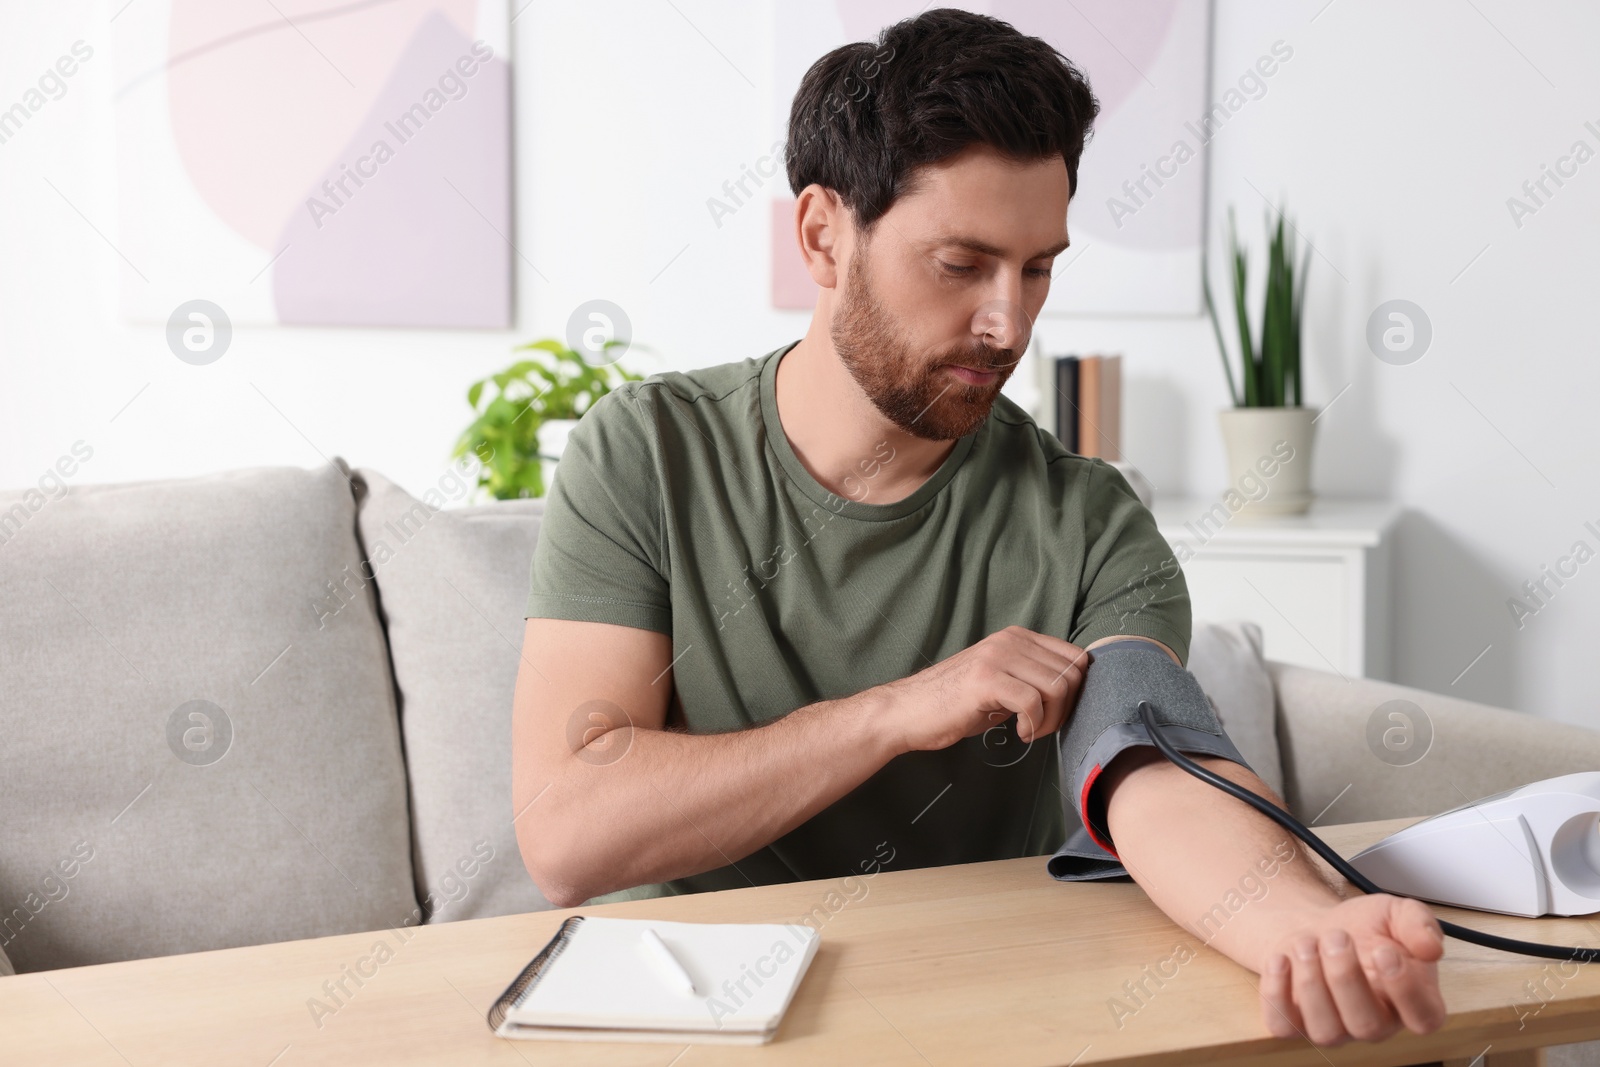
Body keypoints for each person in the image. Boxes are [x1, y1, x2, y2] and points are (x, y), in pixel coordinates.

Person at [512, 7, 1445, 1050]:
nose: (1009, 323)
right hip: (683, 1013)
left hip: (970, 1013)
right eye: (961, 264)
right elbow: (567, 832)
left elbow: (1150, 765)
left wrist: (1308, 928)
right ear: (823, 234)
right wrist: (894, 712)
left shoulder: (1087, 520)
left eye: (1037, 267)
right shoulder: (645, 452)